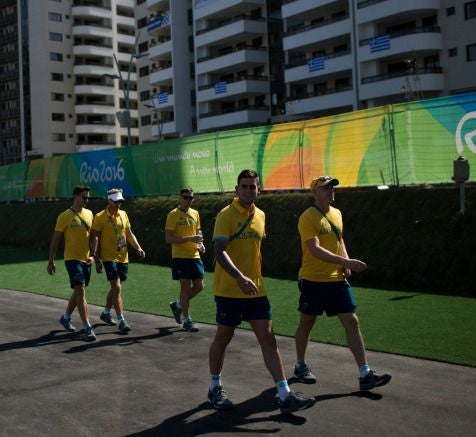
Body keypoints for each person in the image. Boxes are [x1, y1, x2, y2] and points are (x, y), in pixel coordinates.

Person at [208, 169, 315, 414]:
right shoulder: (225, 215)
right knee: (223, 339)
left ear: (259, 189)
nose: (248, 190)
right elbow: (219, 250)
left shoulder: (261, 216)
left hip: (256, 290)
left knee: (268, 339)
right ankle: (215, 387)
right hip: (229, 290)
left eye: (252, 186)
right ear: (237, 190)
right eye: (244, 186)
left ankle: (285, 394)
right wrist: (239, 276)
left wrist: (250, 278)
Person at [293, 175, 391, 391]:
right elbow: (315, 249)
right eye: (325, 188)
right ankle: (300, 365)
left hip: (336, 280)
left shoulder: (337, 213)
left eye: (331, 187)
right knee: (307, 324)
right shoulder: (307, 217)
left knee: (352, 322)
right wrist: (345, 261)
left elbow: (340, 239)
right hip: (313, 280)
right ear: (314, 193)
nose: (330, 190)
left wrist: (345, 260)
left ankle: (365, 374)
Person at [90, 188, 145, 334]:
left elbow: (128, 233)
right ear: (108, 201)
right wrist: (95, 257)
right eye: (115, 201)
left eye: (120, 201)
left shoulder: (124, 214)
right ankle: (121, 320)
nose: (118, 204)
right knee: (117, 287)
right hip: (108, 257)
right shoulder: (100, 217)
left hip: (123, 256)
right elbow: (95, 237)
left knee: (116, 288)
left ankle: (106, 312)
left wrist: (138, 248)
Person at [47, 186, 97, 341]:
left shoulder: (89, 214)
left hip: (86, 259)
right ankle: (87, 327)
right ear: (75, 197)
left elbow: (94, 236)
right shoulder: (64, 216)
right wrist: (51, 260)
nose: (87, 200)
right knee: (81, 290)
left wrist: (94, 256)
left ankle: (66, 317)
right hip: (71, 259)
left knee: (78, 291)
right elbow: (56, 240)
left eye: (88, 198)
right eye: (84, 197)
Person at [164, 187, 205, 332]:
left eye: (191, 198)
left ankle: (178, 305)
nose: (188, 200)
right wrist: (190, 239)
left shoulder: (195, 213)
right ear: (180, 198)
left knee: (200, 286)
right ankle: (187, 320)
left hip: (194, 255)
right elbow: (168, 238)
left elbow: (198, 232)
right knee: (185, 287)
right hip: (180, 256)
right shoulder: (173, 215)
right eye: (185, 197)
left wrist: (200, 244)